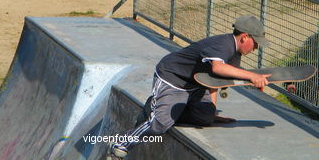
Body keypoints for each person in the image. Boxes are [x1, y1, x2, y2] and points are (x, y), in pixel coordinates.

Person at [108, 15, 273, 159]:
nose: (256, 48)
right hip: (172, 79)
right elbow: (217, 68)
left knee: (206, 118)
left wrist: (212, 111)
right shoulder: (223, 45)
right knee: (159, 125)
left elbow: (215, 80)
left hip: (195, 86)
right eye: (256, 43)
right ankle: (121, 145)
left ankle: (165, 110)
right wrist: (252, 76)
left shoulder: (235, 54)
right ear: (244, 37)